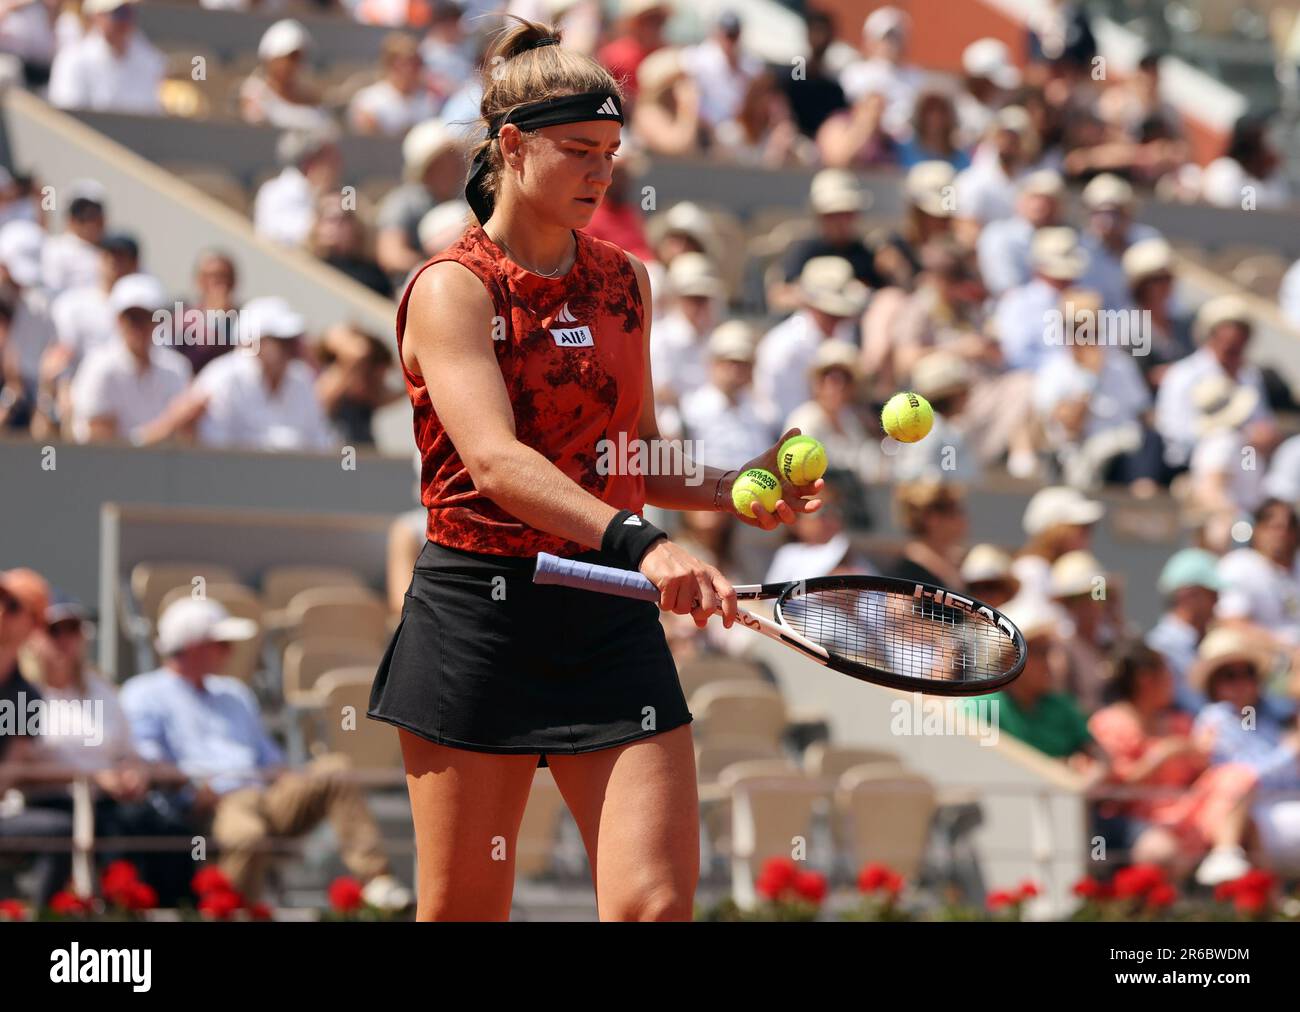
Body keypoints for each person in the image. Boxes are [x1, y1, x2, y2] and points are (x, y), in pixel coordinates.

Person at [366, 17, 825, 922]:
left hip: (606, 622)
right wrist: (648, 546)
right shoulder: (453, 287)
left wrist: (739, 481)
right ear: (510, 146)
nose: (600, 173)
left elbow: (634, 452)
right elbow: (497, 464)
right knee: (463, 912)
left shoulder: (627, 281)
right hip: (478, 621)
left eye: (611, 152)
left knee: (654, 907)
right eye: (578, 149)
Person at [120, 598, 411, 909]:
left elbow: (271, 760)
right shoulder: (143, 694)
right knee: (248, 835)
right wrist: (192, 791)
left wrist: (286, 780)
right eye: (221, 643)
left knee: (334, 770)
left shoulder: (234, 693)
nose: (230, 651)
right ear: (193, 646)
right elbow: (148, 761)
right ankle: (226, 913)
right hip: (211, 805)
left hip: (261, 796)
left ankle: (377, 879)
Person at [1089, 641, 1256, 879]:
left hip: (1186, 815)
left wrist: (1201, 752)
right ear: (1146, 679)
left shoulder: (1179, 721)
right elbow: (1114, 790)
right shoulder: (1109, 723)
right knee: (1162, 852)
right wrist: (1164, 754)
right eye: (1168, 673)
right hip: (1137, 822)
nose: (1173, 682)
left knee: (1238, 780)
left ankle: (1226, 858)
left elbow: (1203, 772)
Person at [1193, 628, 1300, 881]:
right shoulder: (1213, 719)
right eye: (1230, 675)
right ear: (1214, 683)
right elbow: (1241, 775)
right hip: (1249, 817)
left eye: (1248, 673)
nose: (1241, 682)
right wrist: (1289, 752)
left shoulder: (1274, 715)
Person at [1155, 296, 1278, 472]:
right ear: (1212, 336)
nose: (1236, 350)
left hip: (1243, 464)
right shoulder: (1183, 375)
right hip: (1191, 466)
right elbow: (1173, 432)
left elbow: (1263, 421)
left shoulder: (1250, 376)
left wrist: (1262, 437)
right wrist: (1225, 435)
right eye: (1230, 346)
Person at [67, 273, 191, 444]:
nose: (139, 327)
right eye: (132, 318)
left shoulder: (176, 367)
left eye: (146, 318)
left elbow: (184, 433)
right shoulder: (99, 367)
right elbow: (100, 440)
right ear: (119, 320)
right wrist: (162, 429)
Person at [753, 256, 867, 426]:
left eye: (840, 315)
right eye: (830, 314)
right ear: (810, 306)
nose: (837, 320)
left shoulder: (845, 331)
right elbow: (778, 416)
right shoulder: (783, 348)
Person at [375, 120, 468, 279]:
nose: (452, 166)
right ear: (427, 169)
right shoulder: (404, 201)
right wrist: (437, 267)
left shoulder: (469, 196)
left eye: (454, 157)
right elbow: (391, 255)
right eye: (442, 161)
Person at [47, 0, 163, 114]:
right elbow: (67, 119)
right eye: (118, 13)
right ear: (96, 16)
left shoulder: (150, 61)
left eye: (128, 12)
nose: (124, 20)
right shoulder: (72, 61)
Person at [1146, 548, 1222, 714]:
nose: (1217, 602)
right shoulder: (1160, 647)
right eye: (1213, 595)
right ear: (1188, 596)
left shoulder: (1203, 641)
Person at [253, 127, 342, 249]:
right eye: (328, 159)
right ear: (309, 162)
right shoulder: (273, 192)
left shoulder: (327, 193)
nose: (336, 165)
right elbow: (289, 236)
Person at [238, 18, 332, 132]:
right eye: (289, 57)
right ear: (271, 58)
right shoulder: (254, 92)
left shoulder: (313, 99)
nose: (293, 64)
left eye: (298, 58)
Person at [881, 480, 968, 590]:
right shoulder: (906, 572)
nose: (963, 519)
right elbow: (897, 607)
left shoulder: (960, 561)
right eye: (956, 511)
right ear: (933, 518)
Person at [349, 32, 437, 137]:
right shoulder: (368, 101)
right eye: (405, 64)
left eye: (417, 63)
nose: (412, 69)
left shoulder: (429, 101)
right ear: (390, 65)